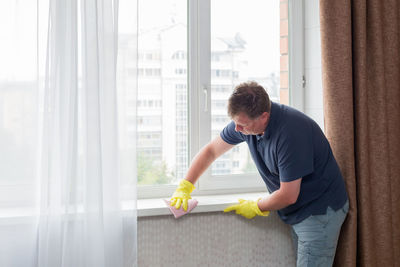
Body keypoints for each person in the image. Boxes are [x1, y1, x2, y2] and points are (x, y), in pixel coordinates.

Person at [170, 81, 349, 267]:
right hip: (299, 209)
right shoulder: (247, 124)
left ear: (264, 116)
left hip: (319, 210)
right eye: (235, 123)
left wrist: (256, 206)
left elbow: (288, 195)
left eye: (242, 125)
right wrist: (185, 186)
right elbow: (211, 151)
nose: (237, 130)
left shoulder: (291, 133)